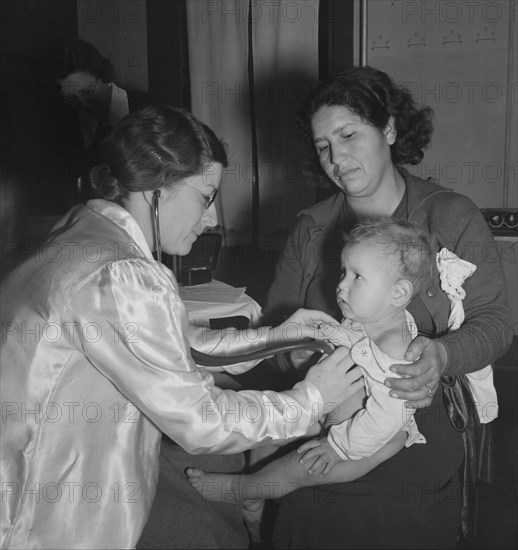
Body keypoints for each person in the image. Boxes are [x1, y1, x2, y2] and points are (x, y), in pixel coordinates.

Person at [0, 105, 362, 549]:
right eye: (206, 197)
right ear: (158, 187)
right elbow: (201, 421)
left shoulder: (84, 232)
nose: (212, 219)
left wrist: (279, 336)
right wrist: (312, 399)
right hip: (40, 507)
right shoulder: (121, 273)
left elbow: (185, 346)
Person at [257, 66, 512, 548]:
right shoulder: (311, 230)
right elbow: (277, 331)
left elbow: (496, 323)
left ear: (390, 129)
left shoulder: (449, 216)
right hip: (324, 431)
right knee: (301, 505)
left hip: (415, 442)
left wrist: (442, 356)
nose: (337, 157)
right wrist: (295, 356)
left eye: (349, 134)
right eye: (323, 146)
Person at [187, 217, 499, 533]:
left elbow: (386, 417)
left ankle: (245, 489)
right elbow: (346, 344)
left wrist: (338, 446)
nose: (341, 285)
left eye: (356, 277)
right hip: (333, 413)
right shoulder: (369, 317)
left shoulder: (396, 348)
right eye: (343, 272)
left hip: (371, 439)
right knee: (267, 441)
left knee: (303, 467)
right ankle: (256, 503)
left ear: (398, 292)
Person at [54, 38, 151, 199]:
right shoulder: (64, 124)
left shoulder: (147, 109)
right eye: (72, 98)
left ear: (103, 75)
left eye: (88, 92)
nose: (83, 104)